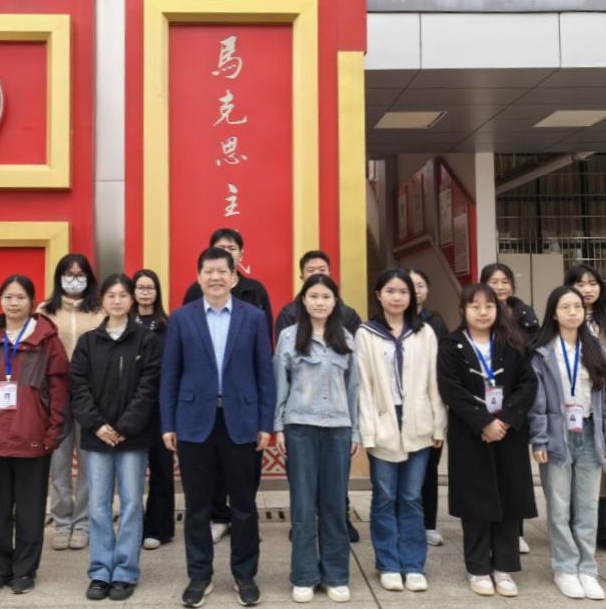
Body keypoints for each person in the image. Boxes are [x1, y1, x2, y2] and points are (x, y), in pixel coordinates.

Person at [161, 247, 275, 608]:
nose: (215, 277)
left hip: (241, 422)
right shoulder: (182, 318)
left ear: (234, 276)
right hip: (194, 423)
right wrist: (168, 423)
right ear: (198, 277)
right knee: (197, 506)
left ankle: (245, 575)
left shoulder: (253, 317)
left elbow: (265, 373)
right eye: (208, 271)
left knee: (243, 505)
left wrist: (266, 422)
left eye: (222, 271)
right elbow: (170, 374)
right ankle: (199, 575)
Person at [0, 275, 70, 595]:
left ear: (32, 301)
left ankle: (24, 569)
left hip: (32, 438)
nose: (14, 303)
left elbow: (60, 389)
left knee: (29, 510)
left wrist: (53, 432)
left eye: (20, 297)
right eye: (8, 297)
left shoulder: (47, 340)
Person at [437, 284, 537, 598]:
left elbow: (527, 383)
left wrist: (504, 419)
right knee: (476, 500)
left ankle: (503, 567)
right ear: (463, 310)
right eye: (475, 306)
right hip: (470, 434)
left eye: (489, 306)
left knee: (509, 497)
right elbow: (450, 389)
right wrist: (484, 422)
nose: (482, 312)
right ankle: (478, 567)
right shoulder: (451, 345)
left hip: (508, 433)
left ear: (498, 309)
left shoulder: (513, 342)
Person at [356, 269, 445, 594]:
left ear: (412, 296)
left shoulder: (425, 332)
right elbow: (363, 386)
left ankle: (413, 564)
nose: (397, 297)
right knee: (384, 497)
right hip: (383, 419)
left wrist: (438, 424)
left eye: (403, 292)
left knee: (411, 496)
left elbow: (434, 382)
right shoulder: (366, 333)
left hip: (418, 420)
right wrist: (367, 431)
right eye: (390, 291)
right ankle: (388, 564)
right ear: (378, 295)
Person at [73, 274, 162, 601]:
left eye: (123, 295)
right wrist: (98, 425)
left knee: (131, 504)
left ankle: (124, 571)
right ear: (103, 300)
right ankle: (100, 571)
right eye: (111, 295)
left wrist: (124, 426)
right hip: (97, 437)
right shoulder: (88, 342)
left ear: (131, 299)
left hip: (132, 438)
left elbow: (148, 388)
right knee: (97, 505)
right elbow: (78, 386)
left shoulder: (145, 340)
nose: (117, 300)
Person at [182, 229, 273, 546]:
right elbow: (182, 356)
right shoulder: (191, 299)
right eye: (219, 249)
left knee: (245, 480)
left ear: (239, 261)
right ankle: (218, 520)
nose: (217, 276)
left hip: (241, 405)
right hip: (203, 406)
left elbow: (264, 356)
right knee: (208, 480)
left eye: (231, 249)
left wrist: (265, 417)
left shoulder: (255, 296)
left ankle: (244, 532)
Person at [528, 286, 606, 600]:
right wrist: (539, 439)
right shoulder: (542, 352)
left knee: (588, 506)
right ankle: (565, 568)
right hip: (557, 434)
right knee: (559, 505)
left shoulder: (595, 349)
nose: (572, 312)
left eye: (577, 307)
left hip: (590, 432)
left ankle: (587, 569)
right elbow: (536, 402)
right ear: (553, 313)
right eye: (565, 307)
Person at [275, 274, 359, 603]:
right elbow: (280, 384)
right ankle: (305, 576)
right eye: (313, 296)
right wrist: (278, 427)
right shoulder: (288, 337)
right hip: (300, 428)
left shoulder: (346, 339)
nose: (320, 302)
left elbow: (354, 388)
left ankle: (336, 575)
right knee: (302, 504)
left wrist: (354, 430)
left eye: (326, 296)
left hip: (338, 428)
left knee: (334, 504)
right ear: (303, 300)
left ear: (335, 301)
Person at [39, 253, 106, 552]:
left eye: (81, 274)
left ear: (89, 278)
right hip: (56, 396)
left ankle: (82, 523)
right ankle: (62, 522)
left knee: (90, 464)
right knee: (59, 463)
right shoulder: (44, 311)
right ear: (59, 277)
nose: (74, 279)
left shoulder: (101, 311)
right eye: (69, 274)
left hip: (91, 396)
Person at [564, 264, 606, 557]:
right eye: (580, 283)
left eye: (592, 283)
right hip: (574, 406)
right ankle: (575, 526)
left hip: (605, 404)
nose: (587, 289)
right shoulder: (563, 319)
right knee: (576, 471)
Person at [480, 262, 536, 553]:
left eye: (505, 281)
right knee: (488, 470)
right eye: (494, 281)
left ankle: (516, 530)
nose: (500, 286)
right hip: (485, 406)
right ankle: (489, 526)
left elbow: (533, 357)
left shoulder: (524, 315)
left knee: (515, 472)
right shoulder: (479, 314)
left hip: (516, 404)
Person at [133, 270, 176, 552]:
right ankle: (134, 526)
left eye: (150, 287)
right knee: (132, 472)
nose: (145, 292)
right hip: (132, 408)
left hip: (161, 407)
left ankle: (159, 528)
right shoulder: (124, 323)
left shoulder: (167, 325)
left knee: (162, 469)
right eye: (140, 287)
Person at [408, 269, 448, 549]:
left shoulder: (436, 323)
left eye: (420, 285)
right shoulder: (387, 323)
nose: (415, 290)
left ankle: (428, 524)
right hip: (401, 406)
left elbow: (442, 364)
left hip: (429, 403)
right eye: (410, 285)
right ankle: (405, 522)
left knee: (429, 468)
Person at [273, 251, 362, 341]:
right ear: (302, 277)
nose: (317, 274)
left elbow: (355, 345)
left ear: (329, 274)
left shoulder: (348, 314)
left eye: (322, 270)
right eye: (311, 270)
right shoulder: (288, 314)